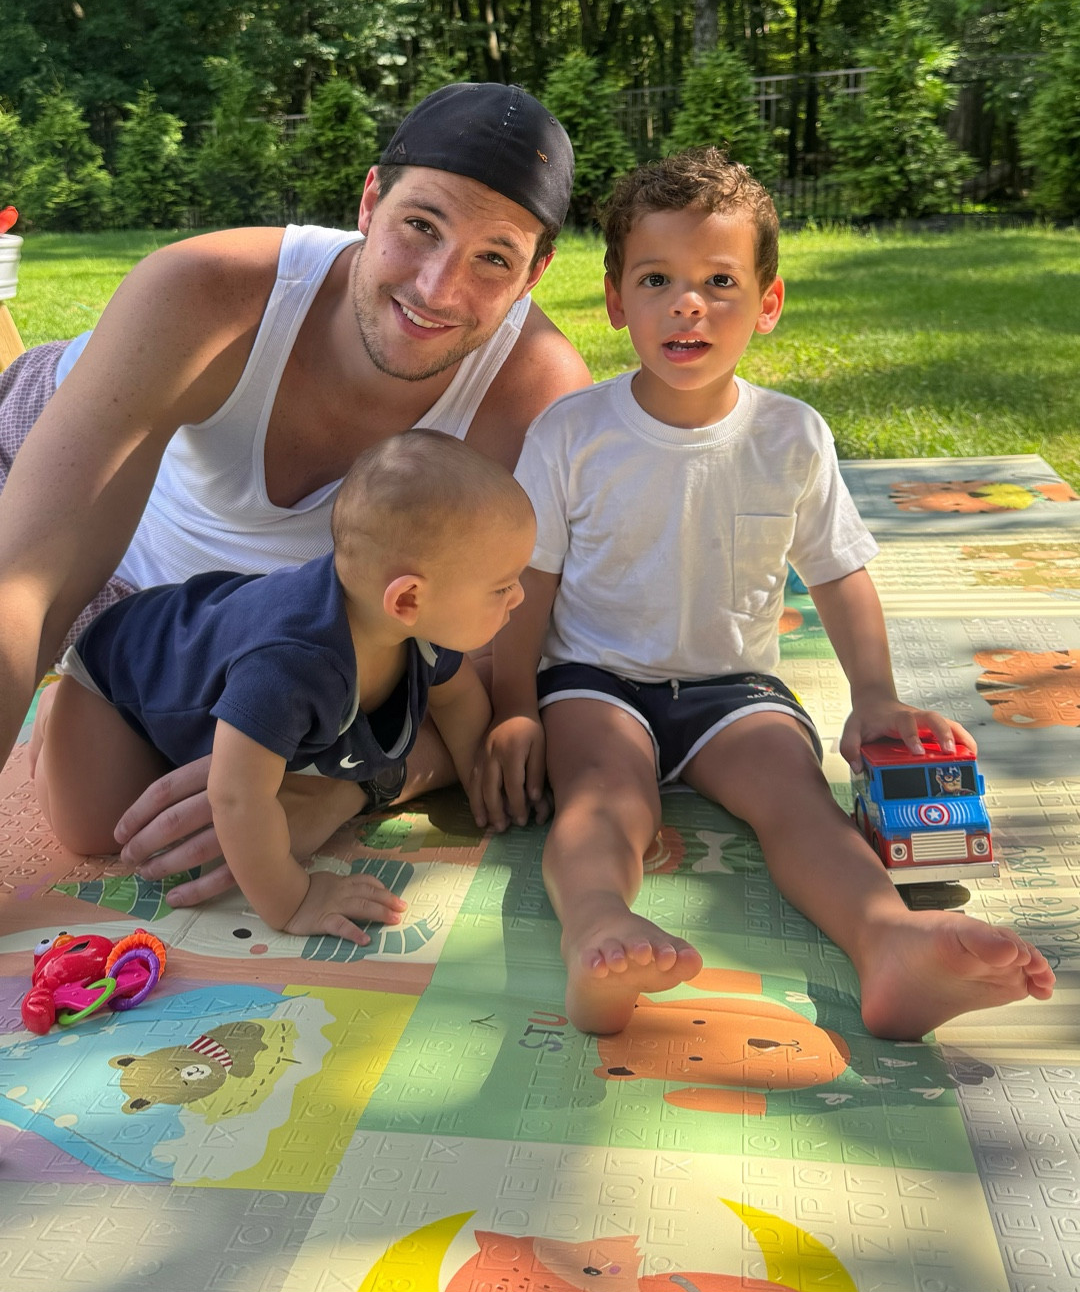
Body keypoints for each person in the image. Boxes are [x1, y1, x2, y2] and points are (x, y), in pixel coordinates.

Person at [478, 147, 1055, 1041]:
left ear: (769, 303)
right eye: (658, 278)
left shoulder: (792, 434)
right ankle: (600, 931)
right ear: (616, 300)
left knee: (798, 799)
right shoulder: (573, 432)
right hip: (597, 680)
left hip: (734, 691)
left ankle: (889, 942)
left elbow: (836, 569)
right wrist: (515, 710)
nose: (689, 303)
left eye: (720, 280)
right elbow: (529, 586)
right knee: (603, 795)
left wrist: (873, 700)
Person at [0, 82, 590, 903]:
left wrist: (343, 787)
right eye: (420, 226)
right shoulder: (202, 292)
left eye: (493, 258)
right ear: (370, 200)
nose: (437, 288)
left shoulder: (536, 397)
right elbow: (26, 581)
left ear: (536, 273)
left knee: (138, 818)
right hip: (64, 459)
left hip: (253, 621)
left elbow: (488, 679)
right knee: (87, 797)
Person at [31, 432, 536, 941]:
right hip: (120, 673)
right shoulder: (292, 667)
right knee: (93, 829)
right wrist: (295, 900)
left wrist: (482, 781)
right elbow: (235, 798)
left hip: (211, 666)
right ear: (407, 598)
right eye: (501, 586)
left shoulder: (422, 627)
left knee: (227, 770)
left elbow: (458, 700)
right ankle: (58, 707)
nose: (518, 597)